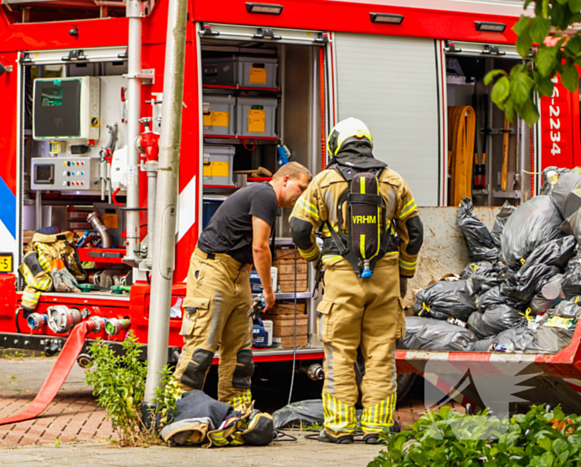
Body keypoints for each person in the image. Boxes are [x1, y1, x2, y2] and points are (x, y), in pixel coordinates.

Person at [289, 118, 424, 444]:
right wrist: (404, 274)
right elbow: (415, 234)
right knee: (380, 356)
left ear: (336, 144)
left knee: (340, 355)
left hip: (341, 281)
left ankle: (339, 429)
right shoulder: (394, 181)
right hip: (385, 281)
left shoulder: (324, 182)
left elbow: (298, 227)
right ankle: (377, 428)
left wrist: (314, 259)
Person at [171, 161, 312, 410]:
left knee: (239, 352)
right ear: (286, 180)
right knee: (202, 345)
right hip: (214, 268)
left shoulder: (267, 200)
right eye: (301, 188)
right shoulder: (265, 194)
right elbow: (260, 247)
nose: (302, 195)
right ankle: (176, 410)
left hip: (237, 271)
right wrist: (268, 290)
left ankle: (237, 412)